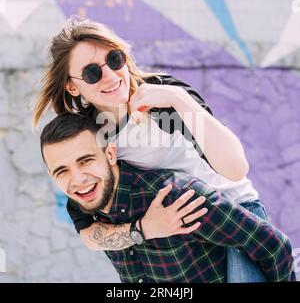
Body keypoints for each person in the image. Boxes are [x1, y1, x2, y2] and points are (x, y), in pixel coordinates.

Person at [33, 17, 267, 281]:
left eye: (114, 60)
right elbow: (89, 232)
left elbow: (236, 169)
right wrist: (143, 229)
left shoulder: (164, 97)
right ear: (72, 86)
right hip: (181, 235)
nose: (110, 76)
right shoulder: (88, 137)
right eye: (92, 73)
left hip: (235, 215)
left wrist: (178, 100)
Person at [40, 113, 295, 283]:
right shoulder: (90, 205)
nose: (78, 179)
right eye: (62, 171)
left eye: (86, 161)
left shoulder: (176, 197)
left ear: (110, 154)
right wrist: (142, 230)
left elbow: (274, 248)